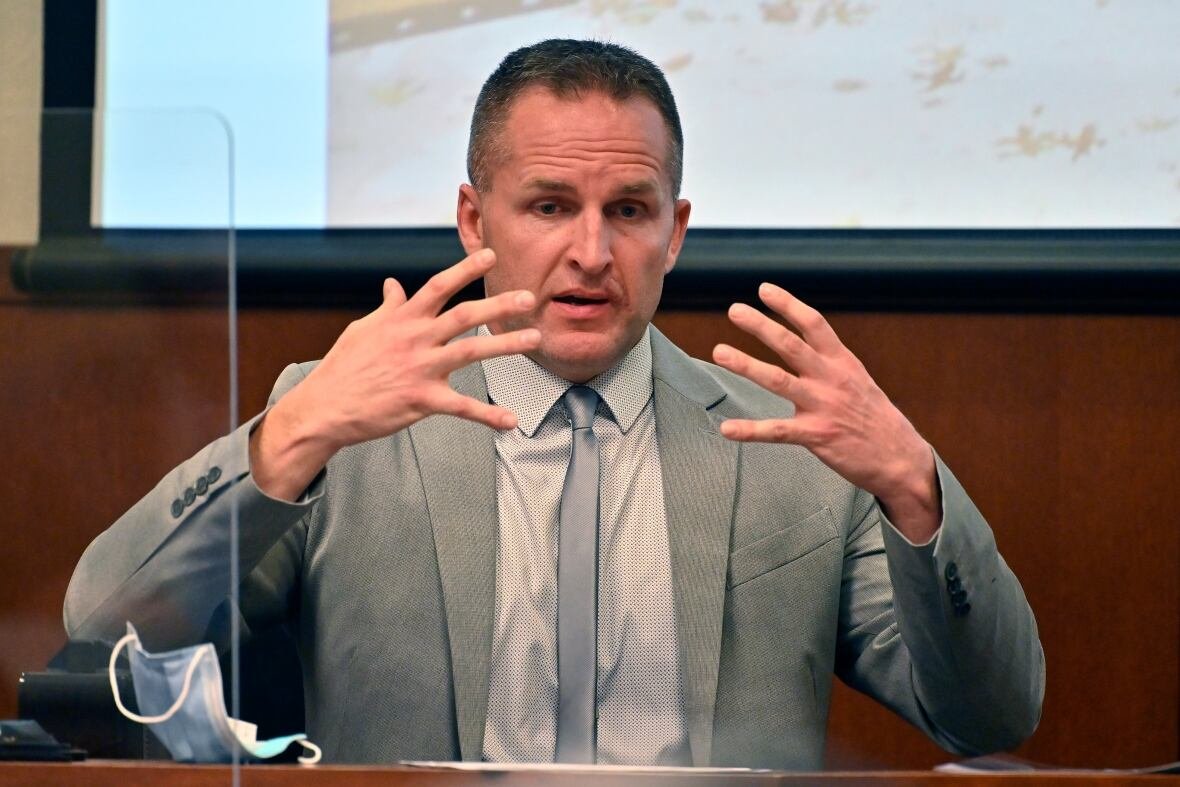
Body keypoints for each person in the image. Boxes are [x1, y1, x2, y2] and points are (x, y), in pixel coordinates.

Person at [64, 39, 1043, 768]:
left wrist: (916, 487)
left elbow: (990, 715)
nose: (589, 251)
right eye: (547, 206)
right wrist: (288, 438)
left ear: (675, 231)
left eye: (628, 210)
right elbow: (104, 626)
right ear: (471, 217)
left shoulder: (791, 446)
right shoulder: (347, 422)